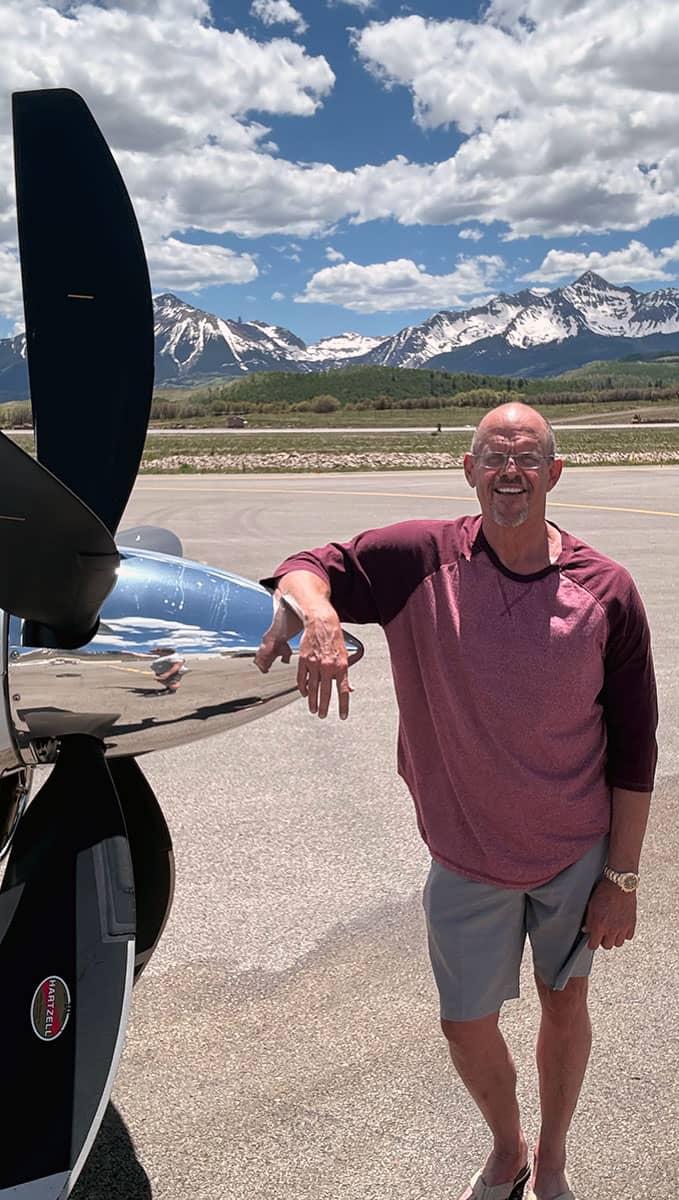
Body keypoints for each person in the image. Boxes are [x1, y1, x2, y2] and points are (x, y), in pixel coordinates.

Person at [254, 403, 657, 1200]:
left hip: (572, 851)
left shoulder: (605, 589)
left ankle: (552, 1161)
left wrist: (623, 878)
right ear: (468, 469)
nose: (511, 472)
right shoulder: (418, 558)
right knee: (463, 1021)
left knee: (563, 1004)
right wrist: (321, 611)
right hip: (465, 854)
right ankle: (506, 1148)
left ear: (554, 473)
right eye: (493, 457)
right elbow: (305, 563)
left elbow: (636, 746)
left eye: (528, 457)